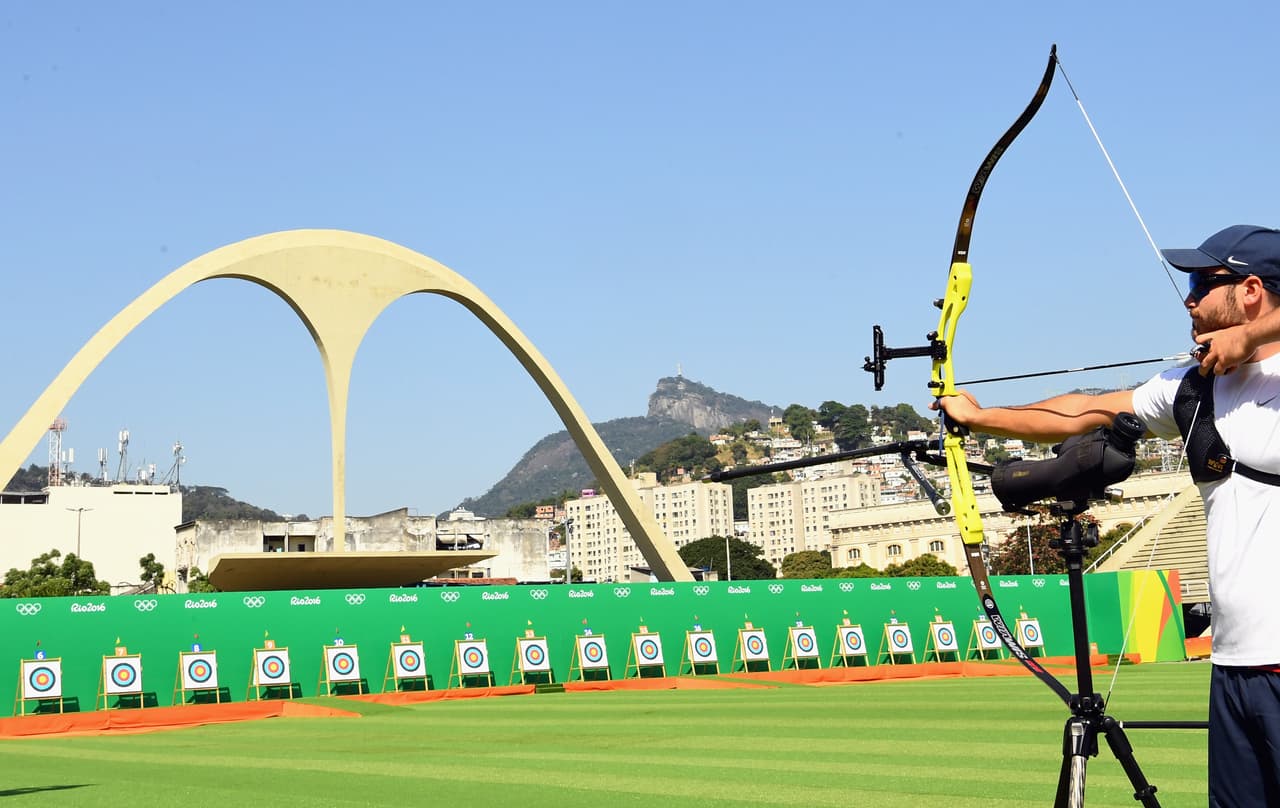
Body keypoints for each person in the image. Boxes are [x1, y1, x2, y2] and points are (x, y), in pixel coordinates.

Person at [934, 224, 1280, 807]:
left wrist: (1252, 339)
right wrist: (978, 415)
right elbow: (1081, 412)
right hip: (1235, 663)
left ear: (1250, 290)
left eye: (1201, 282)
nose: (1189, 299)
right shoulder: (1193, 387)